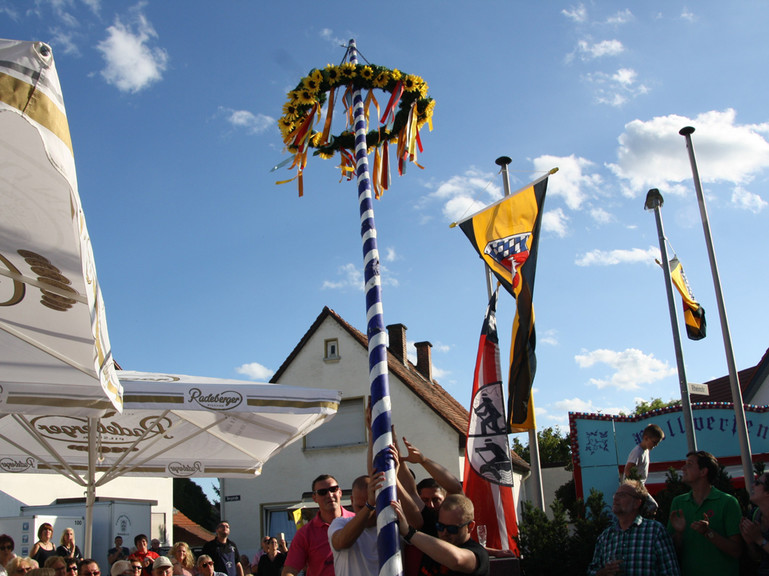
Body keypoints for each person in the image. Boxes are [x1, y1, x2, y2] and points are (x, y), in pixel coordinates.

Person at [668, 451, 742, 576]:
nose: (683, 468)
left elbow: (736, 551)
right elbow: (670, 552)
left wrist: (708, 533)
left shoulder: (728, 502)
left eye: (689, 464)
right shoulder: (678, 502)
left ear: (703, 472)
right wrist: (679, 534)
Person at [588, 479, 679, 575]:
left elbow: (671, 571)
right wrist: (603, 572)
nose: (615, 498)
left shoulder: (655, 531)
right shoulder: (606, 537)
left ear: (637, 503)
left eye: (622, 495)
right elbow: (592, 570)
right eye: (616, 495)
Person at [391, 493, 488, 576]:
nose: (444, 533)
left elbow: (456, 560)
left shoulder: (478, 554)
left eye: (452, 529)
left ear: (470, 526)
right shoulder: (434, 536)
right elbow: (411, 492)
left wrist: (409, 532)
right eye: (440, 526)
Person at [281, 474, 355, 576]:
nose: (329, 495)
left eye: (333, 489)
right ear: (314, 498)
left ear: (340, 492)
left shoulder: (357, 522)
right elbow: (290, 570)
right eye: (322, 492)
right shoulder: (305, 534)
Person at [328, 473, 385, 576]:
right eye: (360, 507)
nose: (368, 512)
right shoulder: (340, 523)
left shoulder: (390, 524)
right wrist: (369, 505)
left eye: (374, 506)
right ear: (352, 500)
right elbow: (341, 542)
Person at [623, 423, 665, 515]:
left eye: (657, 443)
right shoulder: (637, 452)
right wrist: (632, 486)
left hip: (640, 486)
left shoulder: (645, 451)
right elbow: (628, 470)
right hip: (635, 487)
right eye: (654, 442)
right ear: (646, 438)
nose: (655, 445)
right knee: (652, 505)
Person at [740, 472, 769, 575]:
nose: (752, 485)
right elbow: (757, 558)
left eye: (757, 483)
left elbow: (760, 540)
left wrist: (759, 539)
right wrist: (749, 542)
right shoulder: (754, 515)